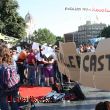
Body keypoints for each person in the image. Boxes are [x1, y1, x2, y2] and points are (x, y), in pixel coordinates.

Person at [0, 45, 19, 110]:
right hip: (13, 86)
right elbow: (16, 71)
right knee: (14, 103)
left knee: (4, 104)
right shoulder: (13, 61)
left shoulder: (1, 63)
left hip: (3, 87)